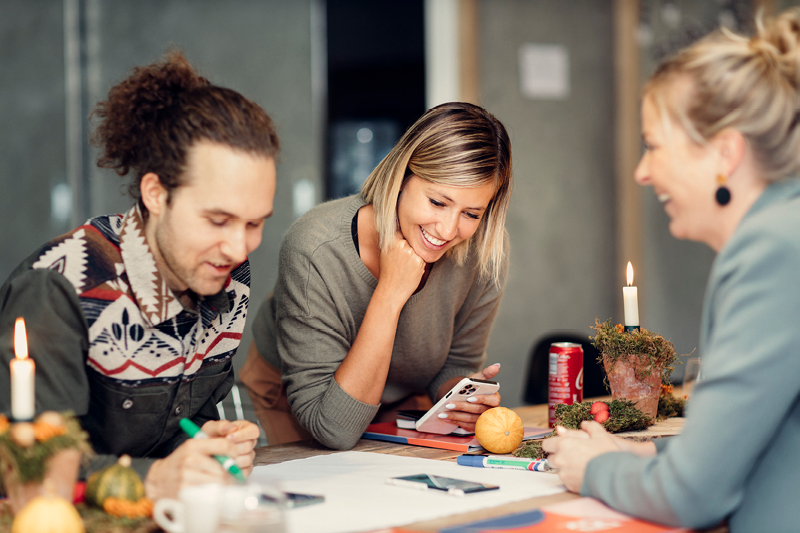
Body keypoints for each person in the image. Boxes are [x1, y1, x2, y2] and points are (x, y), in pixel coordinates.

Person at [542, 9, 800, 532]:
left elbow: (693, 497)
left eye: (654, 146)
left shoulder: (772, 251)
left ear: (725, 152)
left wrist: (596, 470)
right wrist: (642, 461)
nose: (642, 171)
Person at [0, 51, 279, 499]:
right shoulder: (61, 287)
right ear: (156, 194)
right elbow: (28, 471)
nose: (238, 247)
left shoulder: (227, 273)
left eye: (254, 223)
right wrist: (155, 480)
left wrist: (222, 443)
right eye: (218, 220)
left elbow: (204, 416)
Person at [241, 102, 512, 449]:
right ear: (402, 176)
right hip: (289, 406)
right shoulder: (315, 247)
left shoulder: (483, 251)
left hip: (396, 404)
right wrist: (391, 291)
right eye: (437, 202)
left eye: (471, 213)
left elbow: (455, 362)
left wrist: (460, 399)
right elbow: (333, 427)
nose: (448, 230)